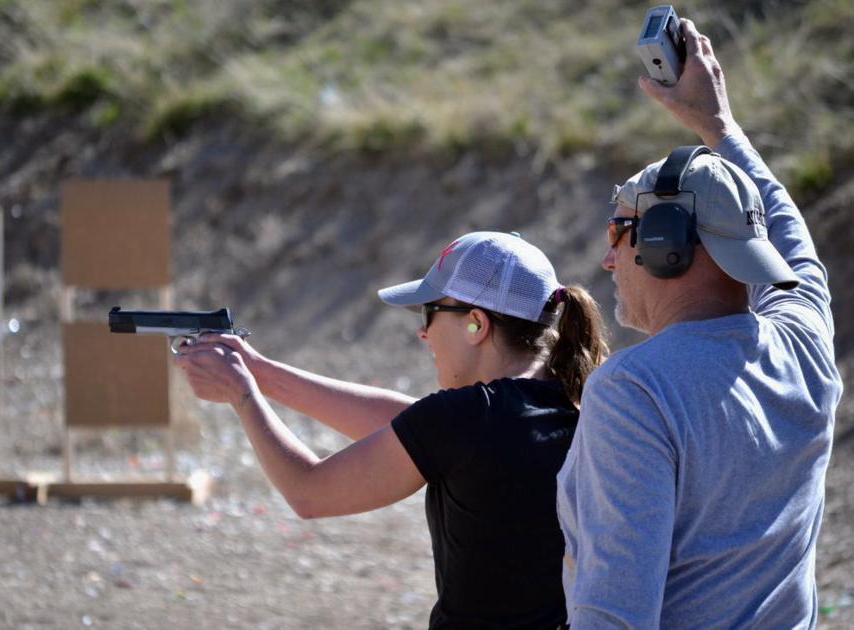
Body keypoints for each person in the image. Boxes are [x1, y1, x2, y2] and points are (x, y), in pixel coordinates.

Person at [556, 19, 843, 628]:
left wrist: (717, 126)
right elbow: (788, 238)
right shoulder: (805, 348)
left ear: (666, 242)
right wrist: (721, 127)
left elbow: (614, 615)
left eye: (618, 232)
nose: (607, 258)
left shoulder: (635, 392)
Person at [175, 230, 609, 628]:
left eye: (430, 312)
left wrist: (241, 395)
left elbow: (307, 491)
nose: (422, 332)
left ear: (476, 324)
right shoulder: (578, 403)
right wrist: (261, 373)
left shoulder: (468, 419)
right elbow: (413, 426)